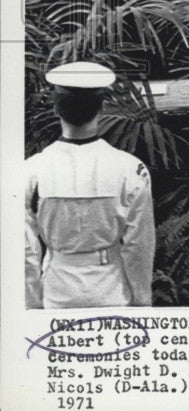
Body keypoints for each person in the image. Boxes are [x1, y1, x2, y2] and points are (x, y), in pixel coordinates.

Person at [25, 62, 155, 308]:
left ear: (56, 108)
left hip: (57, 293)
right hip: (112, 293)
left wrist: (32, 305)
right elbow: (138, 246)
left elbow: (26, 250)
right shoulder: (130, 169)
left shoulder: (32, 170)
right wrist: (142, 301)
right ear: (102, 107)